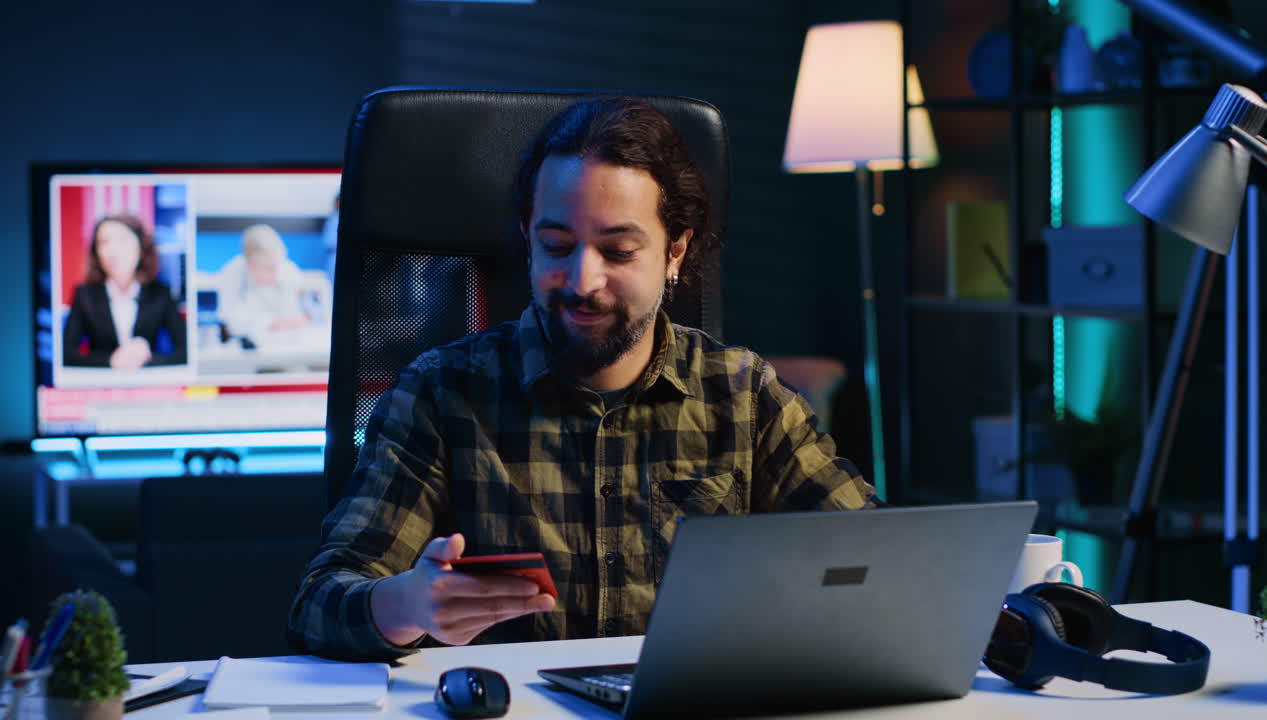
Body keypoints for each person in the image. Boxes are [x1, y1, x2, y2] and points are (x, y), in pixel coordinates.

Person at [288, 97, 880, 662]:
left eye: (618, 251)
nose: (581, 280)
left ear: (675, 252)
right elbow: (318, 604)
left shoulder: (744, 397)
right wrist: (405, 605)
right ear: (527, 239)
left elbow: (885, 566)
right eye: (556, 246)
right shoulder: (443, 393)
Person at [62, 214, 186, 368]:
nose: (113, 250)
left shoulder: (160, 294)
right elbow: (66, 355)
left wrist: (146, 359)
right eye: (104, 242)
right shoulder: (84, 295)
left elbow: (185, 352)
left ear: (141, 247)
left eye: (123, 240)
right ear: (96, 252)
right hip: (100, 386)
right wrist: (111, 361)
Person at [216, 223, 312, 342]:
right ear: (251, 264)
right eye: (269, 268)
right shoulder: (232, 273)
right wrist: (271, 323)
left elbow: (297, 315)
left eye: (277, 265)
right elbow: (229, 323)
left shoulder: (287, 269)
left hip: (286, 343)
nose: (276, 273)